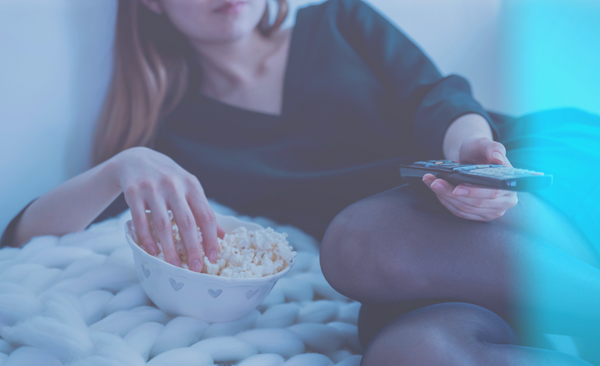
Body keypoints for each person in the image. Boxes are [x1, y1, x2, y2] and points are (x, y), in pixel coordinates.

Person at [1, 0, 599, 364]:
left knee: (358, 239)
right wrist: (121, 165)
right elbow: (22, 236)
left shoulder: (339, 21)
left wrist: (472, 155)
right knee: (408, 354)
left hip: (510, 178)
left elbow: (438, 96)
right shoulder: (177, 136)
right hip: (410, 267)